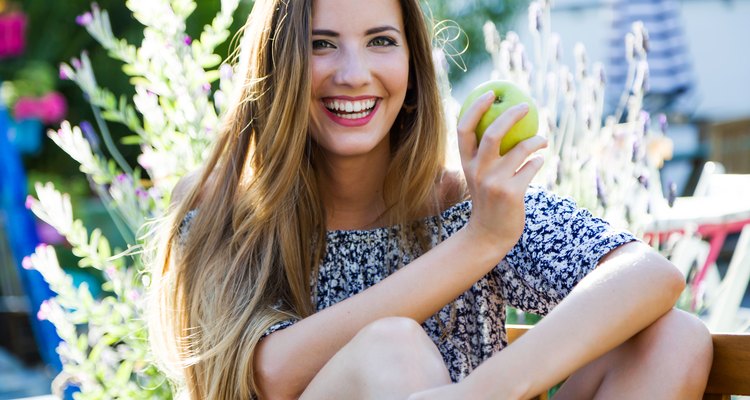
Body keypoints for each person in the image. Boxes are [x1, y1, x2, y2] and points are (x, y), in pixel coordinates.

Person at [148, 0, 713, 399]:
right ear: (278, 65)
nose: (353, 73)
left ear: (413, 67)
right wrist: (480, 243)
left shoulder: (460, 197)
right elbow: (269, 375)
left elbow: (648, 273)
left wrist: (484, 392)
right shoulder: (226, 210)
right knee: (392, 353)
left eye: (381, 41)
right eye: (321, 44)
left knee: (673, 337)